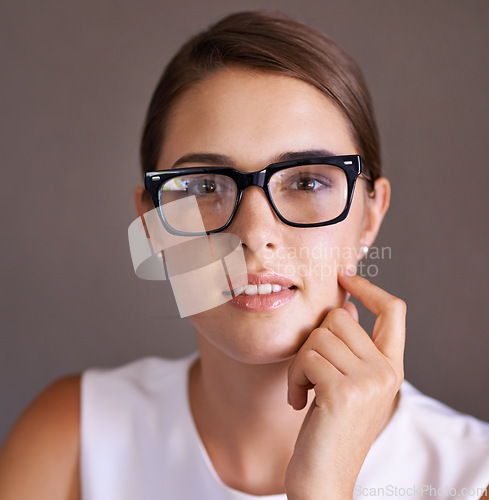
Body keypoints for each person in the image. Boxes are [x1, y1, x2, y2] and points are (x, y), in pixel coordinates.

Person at [0, 10, 488, 500]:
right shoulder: (74, 439)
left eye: (307, 181)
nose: (254, 234)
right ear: (151, 225)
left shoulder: (474, 476)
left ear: (370, 216)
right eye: (204, 185)